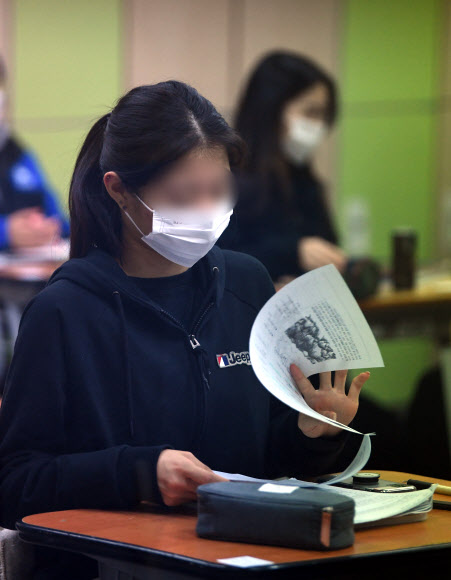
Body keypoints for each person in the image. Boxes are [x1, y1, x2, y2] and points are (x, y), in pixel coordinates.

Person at [0, 81, 369, 579]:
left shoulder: (246, 282)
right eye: (181, 196)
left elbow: (267, 462)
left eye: (216, 191)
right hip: (123, 567)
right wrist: (141, 473)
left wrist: (315, 431)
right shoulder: (65, 312)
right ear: (118, 190)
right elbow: (16, 482)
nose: (203, 211)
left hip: (247, 559)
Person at [218, 51, 347, 286]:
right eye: (311, 112)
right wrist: (293, 252)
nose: (319, 126)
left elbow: (330, 243)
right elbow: (216, 260)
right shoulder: (227, 177)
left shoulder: (302, 176)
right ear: (272, 109)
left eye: (324, 115)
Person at [0, 56, 69, 250]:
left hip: (27, 272)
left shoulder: (17, 154)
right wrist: (6, 232)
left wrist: (48, 228)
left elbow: (55, 217)